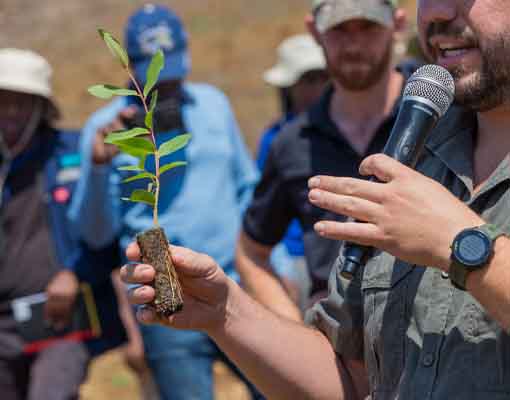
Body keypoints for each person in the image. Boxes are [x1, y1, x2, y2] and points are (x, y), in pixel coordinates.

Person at [123, 0, 510, 398]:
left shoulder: (434, 210)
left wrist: (464, 247)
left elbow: (460, 245)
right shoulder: (414, 160)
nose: (436, 13)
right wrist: (225, 312)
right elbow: (350, 380)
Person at [68, 4, 263, 399]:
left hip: (236, 286)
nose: (167, 93)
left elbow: (248, 190)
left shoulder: (214, 105)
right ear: (133, 72)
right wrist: (101, 167)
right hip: (166, 298)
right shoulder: (106, 131)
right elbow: (93, 233)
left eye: (172, 78)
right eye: (158, 84)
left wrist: (267, 269)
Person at [236, 0, 414, 321]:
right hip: (342, 355)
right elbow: (251, 252)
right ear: (314, 31)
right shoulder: (292, 144)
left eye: (369, 27)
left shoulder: (443, 114)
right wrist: (297, 334)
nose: (354, 44)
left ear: (397, 24)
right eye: (339, 29)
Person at [0, 48, 126, 400]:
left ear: (42, 108)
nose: (11, 113)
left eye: (22, 102)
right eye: (3, 101)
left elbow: (106, 233)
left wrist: (76, 272)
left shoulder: (74, 152)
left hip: (61, 317)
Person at [256, 33, 329, 307]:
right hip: (297, 257)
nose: (320, 87)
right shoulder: (275, 139)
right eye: (310, 80)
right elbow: (262, 206)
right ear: (289, 87)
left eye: (324, 78)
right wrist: (280, 264)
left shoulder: (345, 131)